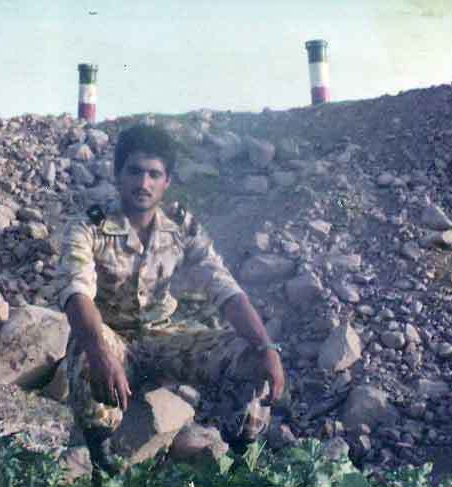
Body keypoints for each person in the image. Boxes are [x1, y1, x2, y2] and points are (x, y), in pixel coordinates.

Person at [56, 124, 285, 484]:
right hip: (112, 334)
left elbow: (223, 287)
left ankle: (240, 464)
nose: (143, 183)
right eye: (134, 171)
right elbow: (76, 293)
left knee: (251, 357)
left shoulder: (180, 226)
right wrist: (101, 352)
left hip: (164, 335)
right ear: (118, 174)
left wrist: (265, 346)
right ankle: (102, 461)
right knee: (88, 352)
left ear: (167, 181)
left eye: (154, 174)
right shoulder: (89, 227)